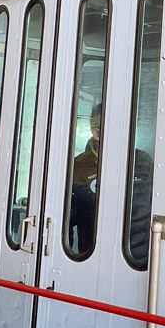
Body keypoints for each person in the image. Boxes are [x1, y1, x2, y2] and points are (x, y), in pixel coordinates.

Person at [68, 103, 102, 254]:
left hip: (139, 260)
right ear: (96, 133)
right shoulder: (77, 168)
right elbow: (64, 223)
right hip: (90, 258)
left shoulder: (141, 164)